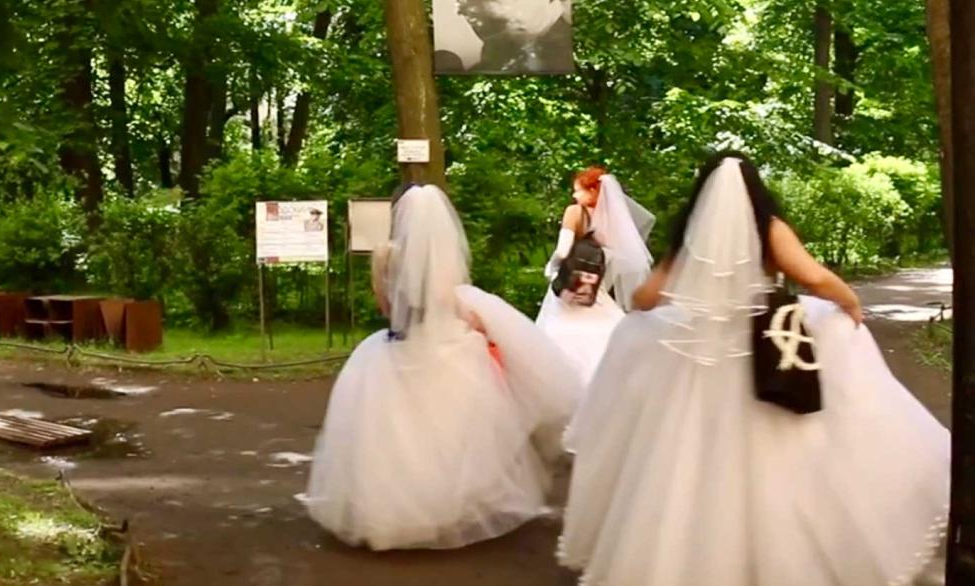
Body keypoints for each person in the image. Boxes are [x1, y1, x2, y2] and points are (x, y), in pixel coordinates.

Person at [557, 153, 949, 586]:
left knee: (694, 467)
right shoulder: (769, 229)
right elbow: (812, 277)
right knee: (779, 470)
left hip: (697, 363)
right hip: (763, 354)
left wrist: (668, 309)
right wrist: (849, 302)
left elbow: (646, 297)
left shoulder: (690, 235)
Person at [303, 184, 582, 551]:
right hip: (444, 347)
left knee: (390, 436)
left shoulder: (384, 256)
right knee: (454, 434)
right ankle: (450, 511)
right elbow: (450, 302)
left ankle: (387, 516)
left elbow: (385, 308)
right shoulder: (443, 261)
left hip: (397, 347)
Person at [538, 167, 653, 393]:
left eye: (578, 191)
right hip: (595, 289)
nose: (574, 196)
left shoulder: (574, 212)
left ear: (592, 191)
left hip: (569, 285)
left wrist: (551, 268)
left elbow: (563, 251)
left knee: (558, 335)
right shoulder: (612, 223)